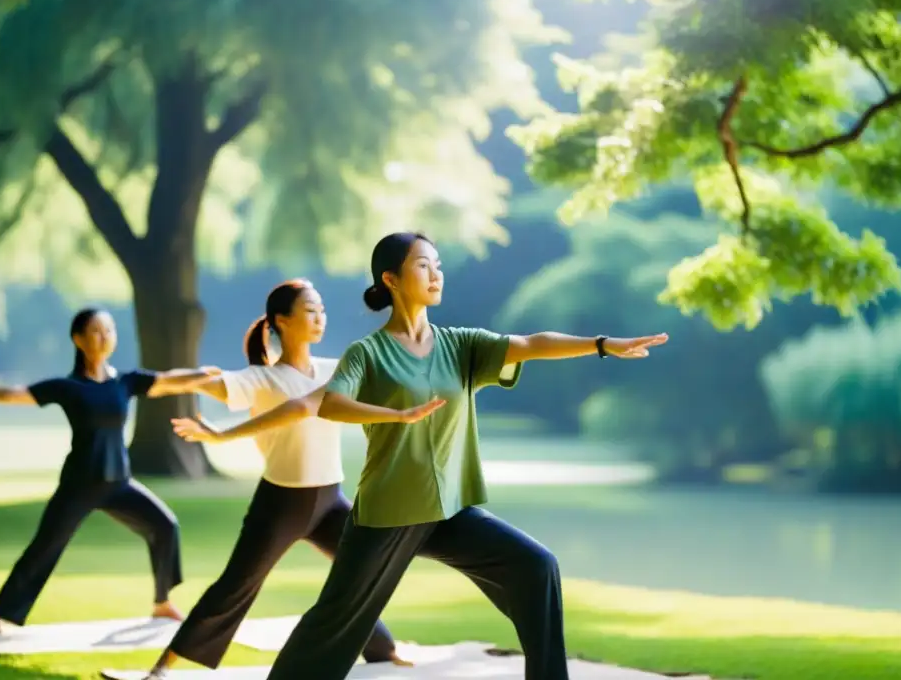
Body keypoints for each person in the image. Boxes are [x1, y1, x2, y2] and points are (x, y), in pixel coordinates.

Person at [183, 232, 668, 680]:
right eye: (422, 265)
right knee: (334, 621)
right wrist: (394, 416)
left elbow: (531, 344)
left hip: (448, 510)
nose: (436, 273)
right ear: (391, 279)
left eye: (437, 265)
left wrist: (602, 345)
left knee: (535, 566)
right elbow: (330, 403)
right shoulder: (367, 353)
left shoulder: (461, 345)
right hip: (388, 514)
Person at [139, 279, 444, 680]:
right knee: (237, 586)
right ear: (281, 321)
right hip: (281, 504)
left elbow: (386, 376)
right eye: (310, 311)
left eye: (322, 310)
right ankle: (164, 667)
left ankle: (382, 649)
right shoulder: (261, 378)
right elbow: (208, 381)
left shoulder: (334, 368)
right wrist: (155, 383)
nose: (320, 317)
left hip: (330, 498)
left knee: (362, 571)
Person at [0, 308, 221, 634]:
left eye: (108, 330)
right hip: (78, 485)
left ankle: (162, 603)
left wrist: (201, 375)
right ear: (78, 339)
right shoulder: (68, 387)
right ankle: (3, 616)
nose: (104, 336)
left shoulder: (125, 382)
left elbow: (166, 382)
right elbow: (14, 393)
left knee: (165, 525)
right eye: (95, 331)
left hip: (119, 483)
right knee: (44, 548)